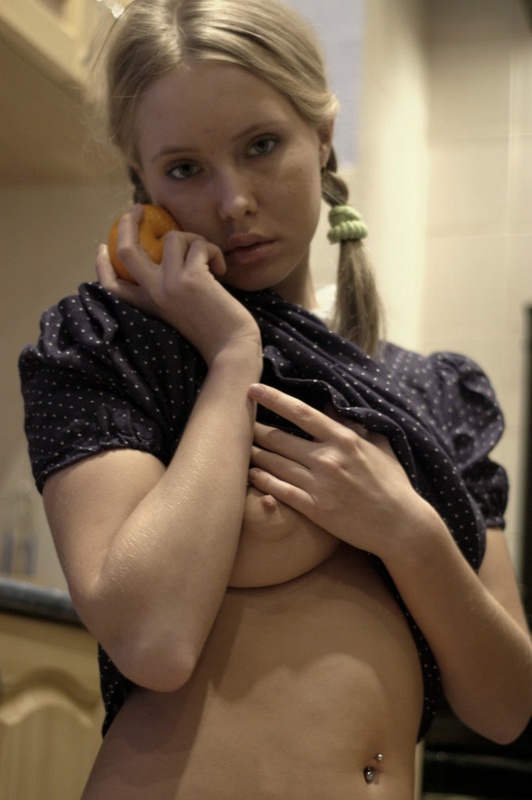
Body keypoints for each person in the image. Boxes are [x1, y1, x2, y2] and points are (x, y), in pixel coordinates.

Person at [19, 0, 532, 797]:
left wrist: (405, 529)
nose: (233, 202)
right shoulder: (114, 346)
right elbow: (153, 641)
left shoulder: (434, 393)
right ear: (143, 184)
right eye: (185, 169)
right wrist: (233, 357)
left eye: (261, 146)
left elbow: (507, 708)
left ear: (322, 138)